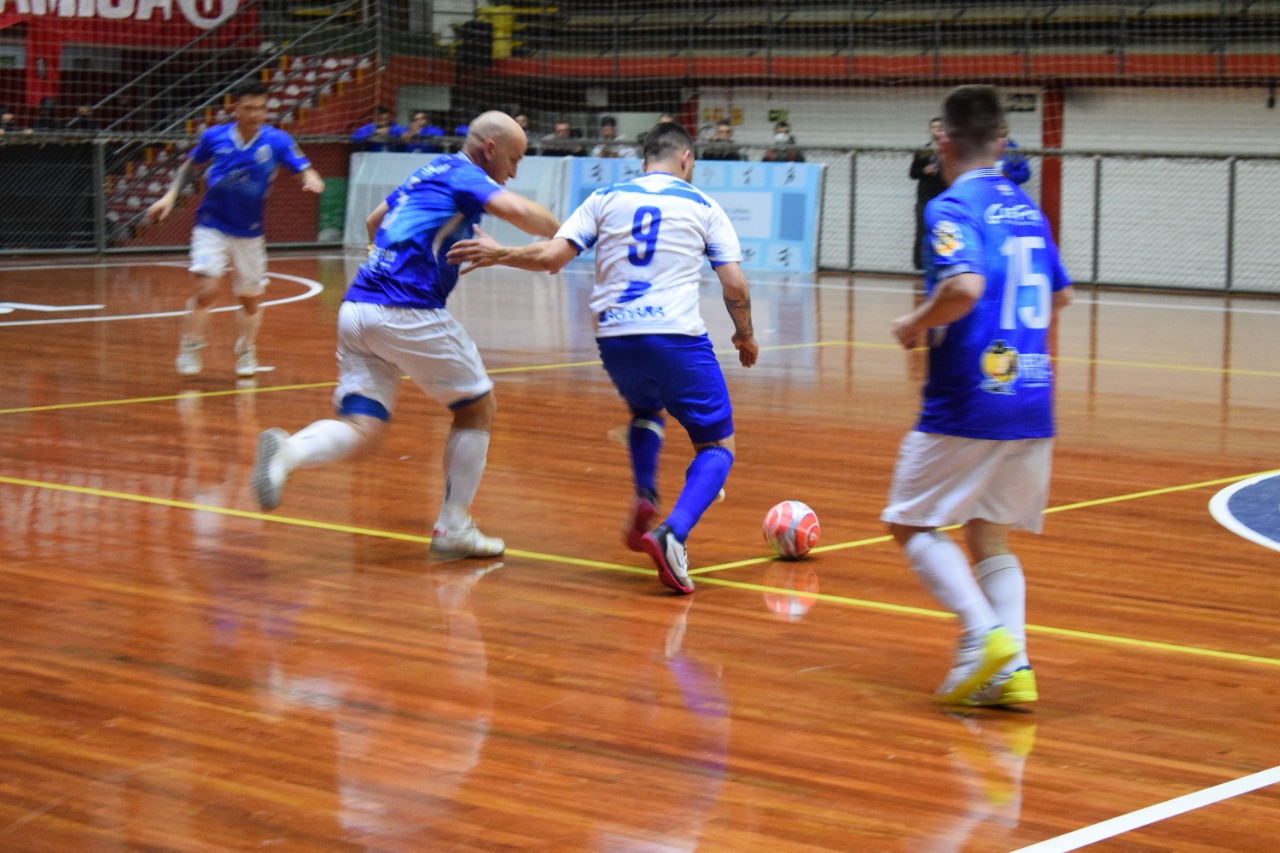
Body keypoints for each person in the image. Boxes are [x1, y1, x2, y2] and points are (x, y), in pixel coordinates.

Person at [446, 121, 758, 594]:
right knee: (717, 446)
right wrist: (745, 336)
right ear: (686, 159)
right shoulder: (703, 205)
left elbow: (552, 258)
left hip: (614, 337)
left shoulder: (605, 197)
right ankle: (672, 534)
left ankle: (645, 493)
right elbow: (734, 284)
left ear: (644, 160)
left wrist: (500, 252)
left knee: (646, 410)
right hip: (675, 337)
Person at [250, 111, 559, 558]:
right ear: (490, 149)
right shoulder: (466, 175)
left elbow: (374, 221)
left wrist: (396, 260)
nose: (514, 171)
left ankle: (288, 452)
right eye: (515, 159)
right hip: (406, 309)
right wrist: (569, 232)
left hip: (358, 307)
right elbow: (519, 211)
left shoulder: (428, 171)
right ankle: (454, 528)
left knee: (363, 429)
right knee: (477, 407)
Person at [882, 84, 1073, 707]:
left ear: (942, 139)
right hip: (1032, 395)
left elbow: (963, 286)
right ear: (1003, 141)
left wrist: (915, 324)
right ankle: (1015, 669)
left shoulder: (951, 205)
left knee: (909, 522)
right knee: (990, 533)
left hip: (970, 395)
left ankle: (984, 634)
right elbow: (1062, 295)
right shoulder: (1027, 209)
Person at [147, 81, 324, 378]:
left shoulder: (277, 141)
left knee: (249, 299)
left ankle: (246, 347)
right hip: (211, 224)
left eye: (261, 108)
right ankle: (191, 343)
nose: (256, 114)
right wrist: (170, 196)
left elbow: (304, 167)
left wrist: (310, 177)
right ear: (236, 108)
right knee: (207, 288)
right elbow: (190, 167)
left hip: (249, 231)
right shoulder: (214, 137)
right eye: (249, 108)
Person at [909, 116, 947, 271]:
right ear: (930, 130)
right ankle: (919, 268)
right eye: (934, 127)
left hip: (944, 198)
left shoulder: (951, 151)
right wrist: (925, 170)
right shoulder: (923, 151)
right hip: (925, 199)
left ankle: (943, 265)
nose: (937, 130)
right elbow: (913, 173)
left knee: (944, 232)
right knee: (922, 233)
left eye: (940, 127)